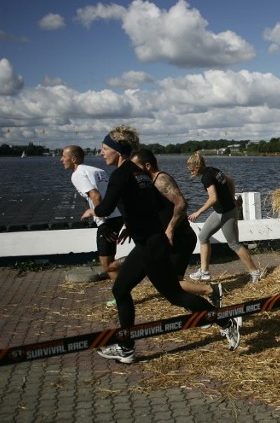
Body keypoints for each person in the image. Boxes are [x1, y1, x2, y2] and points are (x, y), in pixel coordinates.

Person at [82, 126, 241, 364]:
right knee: (120, 289)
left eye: (104, 149)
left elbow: (105, 208)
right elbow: (156, 204)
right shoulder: (140, 174)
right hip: (149, 242)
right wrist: (133, 225)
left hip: (151, 245)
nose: (101, 153)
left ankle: (226, 322)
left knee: (175, 295)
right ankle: (126, 348)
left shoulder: (121, 174)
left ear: (118, 150)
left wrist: (91, 210)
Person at [130, 149, 223, 308]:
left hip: (180, 237)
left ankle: (210, 291)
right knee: (174, 281)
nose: (132, 171)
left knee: (170, 283)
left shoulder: (161, 180)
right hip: (173, 238)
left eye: (135, 166)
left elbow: (182, 204)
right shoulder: (149, 183)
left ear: (147, 166)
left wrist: (170, 229)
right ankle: (199, 307)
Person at [186, 152, 262, 284]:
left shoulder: (206, 178)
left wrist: (198, 212)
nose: (191, 172)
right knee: (203, 236)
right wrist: (232, 198)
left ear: (197, 167)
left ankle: (255, 272)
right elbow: (231, 182)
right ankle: (204, 272)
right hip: (221, 211)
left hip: (227, 213)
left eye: (192, 170)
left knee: (234, 243)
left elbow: (213, 198)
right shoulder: (214, 170)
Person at [61, 145, 123, 281]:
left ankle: (122, 292)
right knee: (110, 259)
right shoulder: (97, 170)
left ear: (74, 159)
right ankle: (123, 288)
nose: (61, 160)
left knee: (107, 264)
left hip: (108, 219)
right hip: (118, 215)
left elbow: (96, 196)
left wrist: (102, 223)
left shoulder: (77, 174)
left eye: (64, 157)